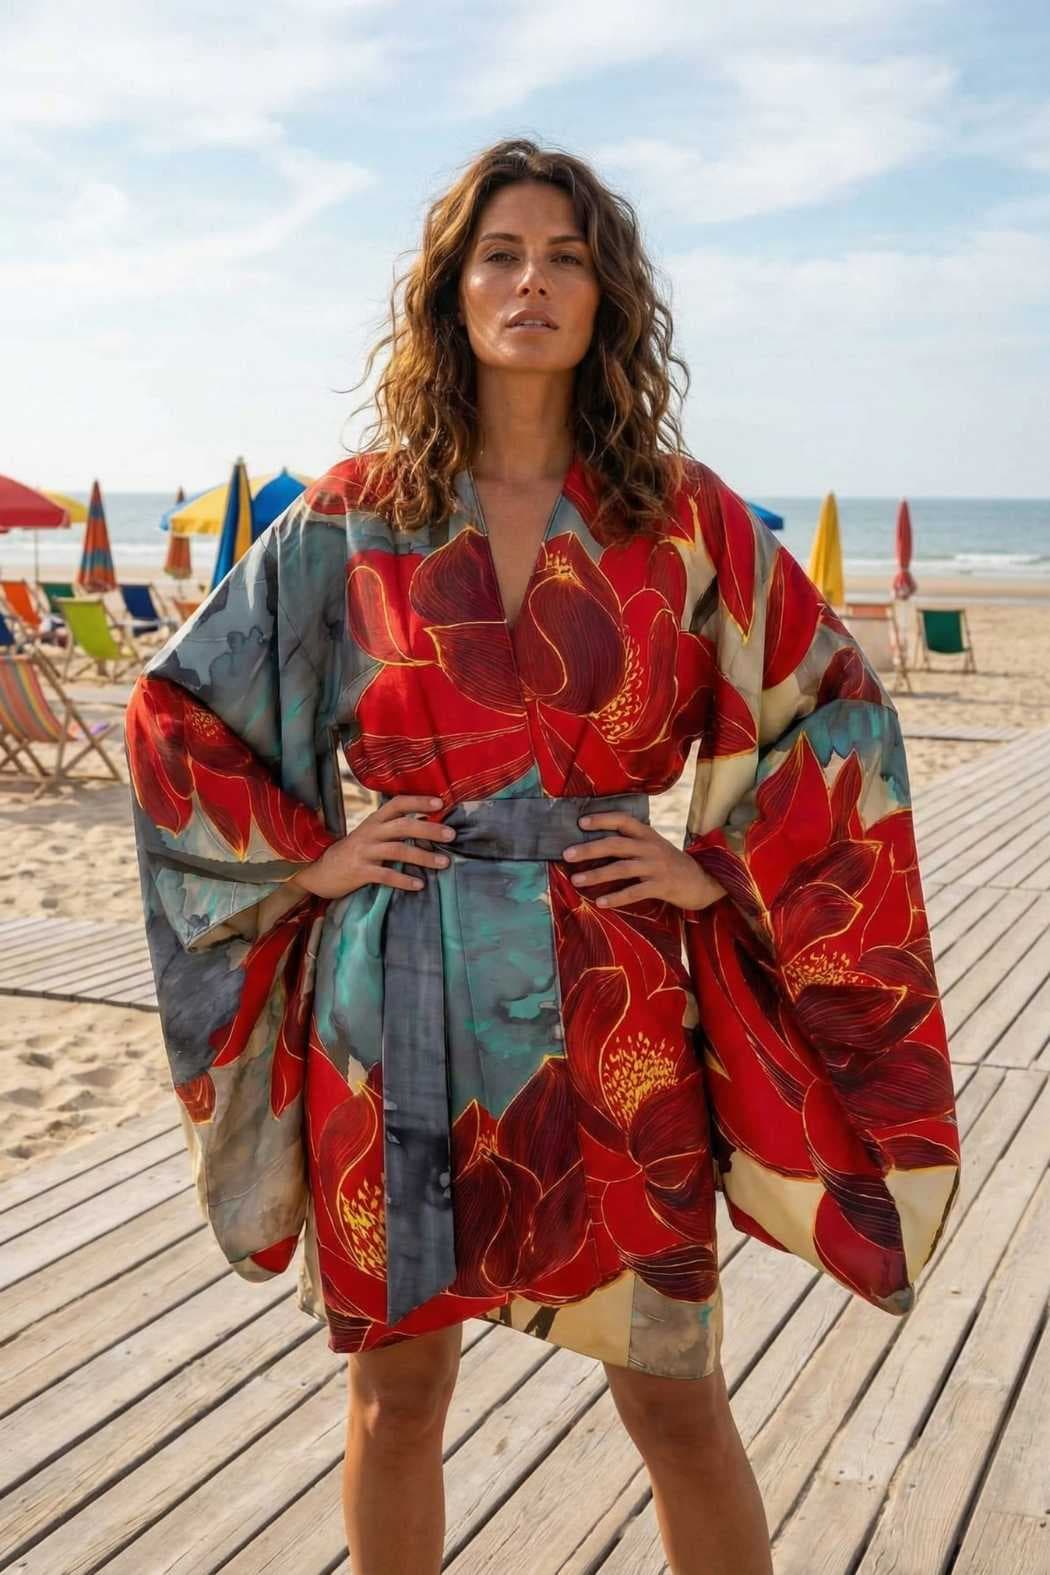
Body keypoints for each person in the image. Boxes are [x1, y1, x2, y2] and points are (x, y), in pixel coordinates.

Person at [125, 138, 960, 1575]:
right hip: (394, 989)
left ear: (605, 296)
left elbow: (832, 712)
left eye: (565, 257)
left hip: (614, 989)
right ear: (451, 294)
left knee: (674, 1394)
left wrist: (721, 863)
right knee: (396, 1398)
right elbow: (179, 710)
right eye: (499, 256)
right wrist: (312, 856)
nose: (531, 282)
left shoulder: (680, 515)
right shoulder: (351, 512)